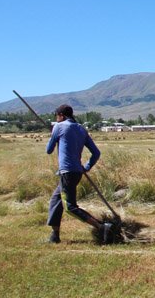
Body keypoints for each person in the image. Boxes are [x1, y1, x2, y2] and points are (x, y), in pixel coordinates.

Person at [46, 104, 112, 244]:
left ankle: (101, 226)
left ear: (61, 115)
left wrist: (53, 135)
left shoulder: (59, 127)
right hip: (76, 172)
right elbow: (96, 153)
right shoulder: (81, 129)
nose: (56, 119)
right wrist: (86, 167)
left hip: (67, 172)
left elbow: (49, 150)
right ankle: (55, 235)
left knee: (70, 207)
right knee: (56, 201)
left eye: (56, 116)